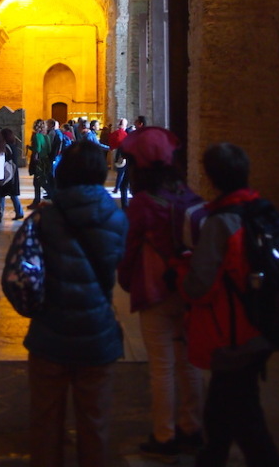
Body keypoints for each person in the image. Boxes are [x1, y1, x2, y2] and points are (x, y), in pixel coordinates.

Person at [177, 142, 279, 467]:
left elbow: (199, 284)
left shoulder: (220, 222)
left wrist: (180, 273)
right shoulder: (265, 210)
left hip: (234, 330)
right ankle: (211, 458)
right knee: (223, 409)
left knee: (243, 416)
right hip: (265, 321)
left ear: (211, 177)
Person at [23, 141, 128, 467]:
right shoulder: (116, 218)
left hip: (49, 332)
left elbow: (19, 273)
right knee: (94, 424)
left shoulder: (43, 219)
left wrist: (32, 308)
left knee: (45, 424)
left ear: (63, 173)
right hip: (97, 332)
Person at [117, 126, 205, 462]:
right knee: (189, 362)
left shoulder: (142, 204)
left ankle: (164, 434)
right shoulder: (187, 195)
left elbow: (130, 249)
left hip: (155, 291)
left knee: (162, 366)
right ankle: (191, 427)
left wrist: (126, 279)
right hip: (187, 289)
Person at [28, 118, 53, 208]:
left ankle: (37, 201)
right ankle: (39, 200)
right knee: (43, 180)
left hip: (38, 161)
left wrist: (31, 148)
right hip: (45, 160)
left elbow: (37, 149)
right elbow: (49, 149)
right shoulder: (46, 136)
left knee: (38, 182)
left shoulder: (37, 136)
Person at [2, 127, 24, 220]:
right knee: (13, 194)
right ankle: (19, 212)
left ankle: (0, 212)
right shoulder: (14, 146)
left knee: (1, 193)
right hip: (13, 172)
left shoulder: (6, 147)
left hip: (7, 172)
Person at [109, 118, 129, 207]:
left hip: (119, 156)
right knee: (122, 175)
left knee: (120, 174)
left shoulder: (116, 133)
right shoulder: (124, 134)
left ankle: (117, 188)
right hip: (123, 157)